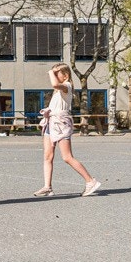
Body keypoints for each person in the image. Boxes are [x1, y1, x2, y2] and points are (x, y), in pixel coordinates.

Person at [34, 62, 104, 198]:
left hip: (60, 124)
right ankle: (47, 187)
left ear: (65, 76)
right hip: (51, 123)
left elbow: (54, 84)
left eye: (56, 73)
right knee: (47, 156)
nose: (54, 75)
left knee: (67, 157)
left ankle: (91, 181)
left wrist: (50, 72)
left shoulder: (67, 86)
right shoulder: (58, 92)